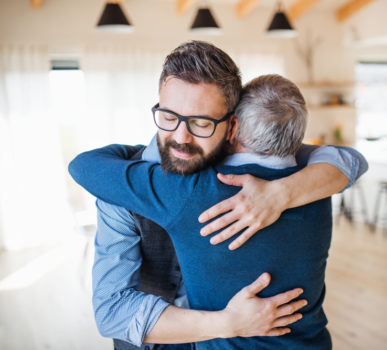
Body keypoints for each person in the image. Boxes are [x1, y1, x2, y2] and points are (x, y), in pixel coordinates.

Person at [90, 41, 367, 349]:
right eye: (169, 117)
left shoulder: (279, 171)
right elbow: (112, 312)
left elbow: (347, 159)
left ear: (231, 124)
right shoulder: (123, 186)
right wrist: (227, 323)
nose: (181, 137)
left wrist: (281, 193)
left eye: (201, 122)